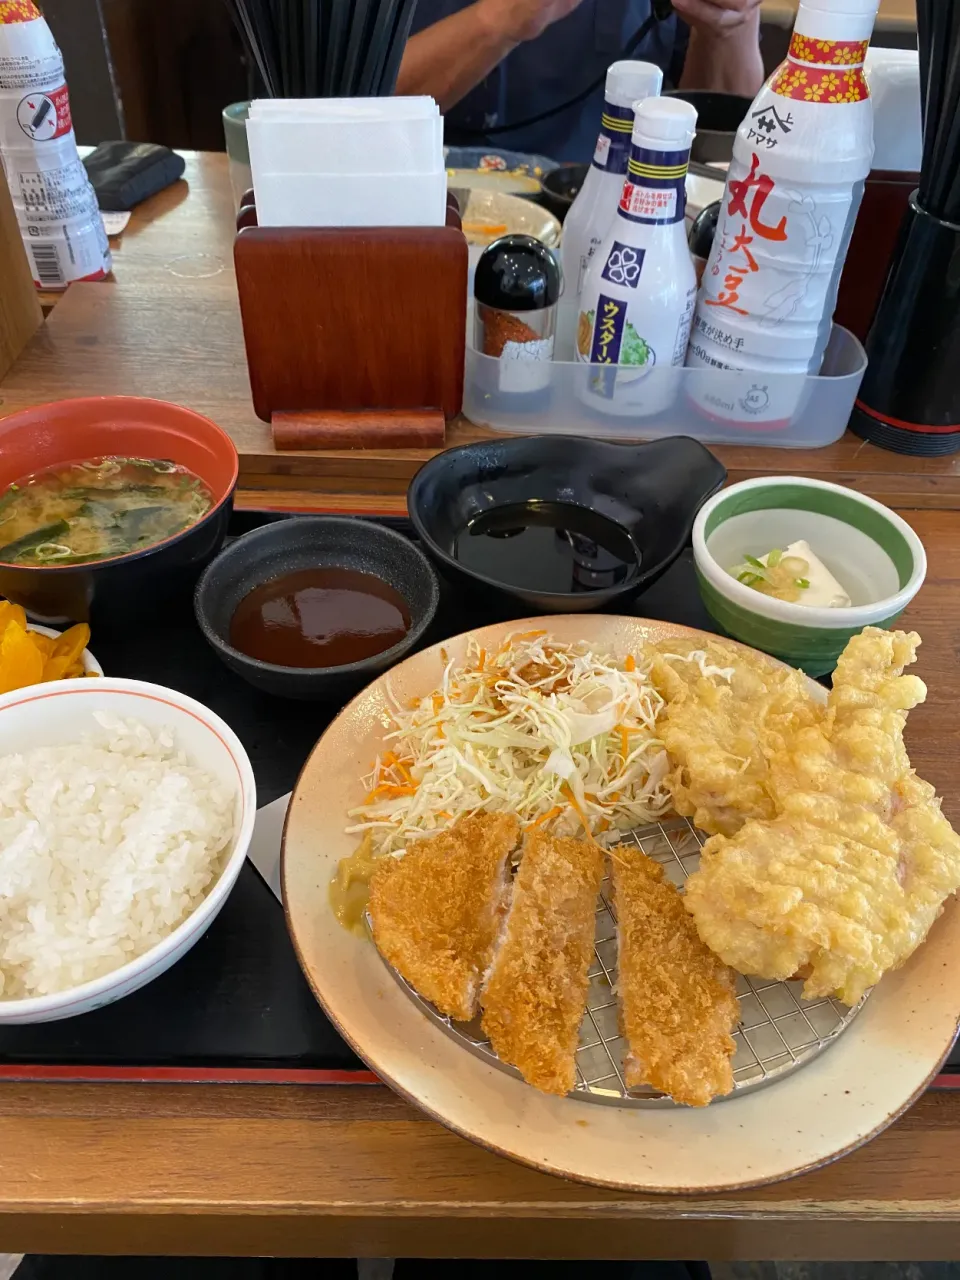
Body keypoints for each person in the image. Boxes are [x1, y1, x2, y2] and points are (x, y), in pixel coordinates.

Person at [397, 0, 764, 162]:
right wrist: (499, 20)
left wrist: (730, 29)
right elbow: (347, 116)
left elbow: (725, 147)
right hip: (411, 212)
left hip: (618, 218)